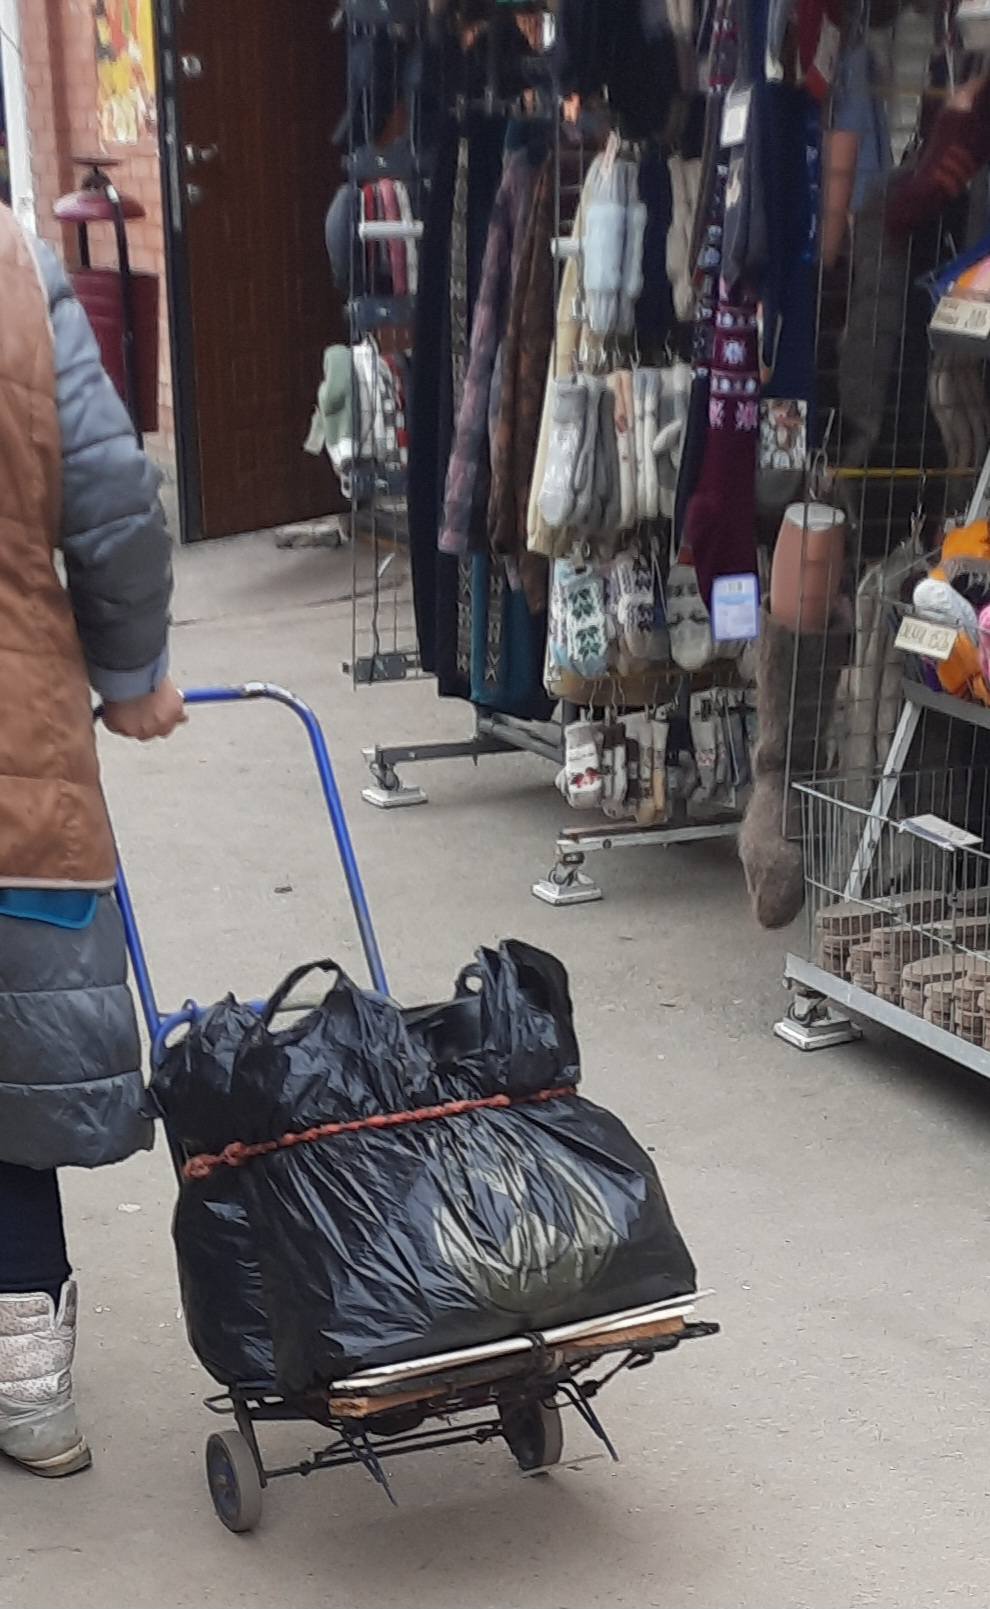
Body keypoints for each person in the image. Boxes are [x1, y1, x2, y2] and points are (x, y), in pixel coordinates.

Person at [0, 202, 183, 1477]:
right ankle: (29, 1392)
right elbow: (111, 499)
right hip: (19, 766)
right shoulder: (14, 269)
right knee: (8, 1094)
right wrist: (130, 674)